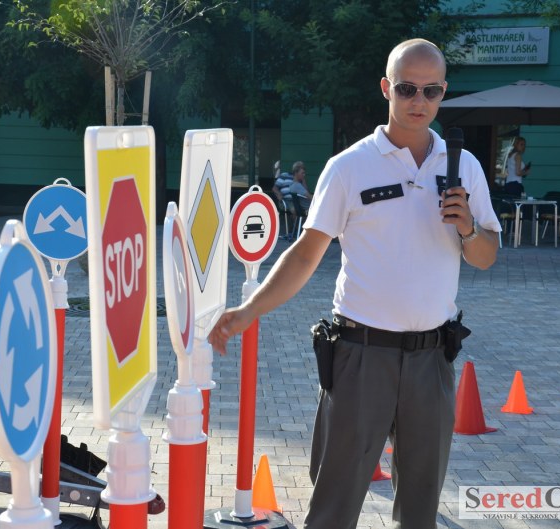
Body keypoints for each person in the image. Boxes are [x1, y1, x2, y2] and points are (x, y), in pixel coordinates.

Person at [209, 38, 500, 529]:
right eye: (407, 88)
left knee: (421, 512)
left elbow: (487, 256)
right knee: (334, 509)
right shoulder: (349, 167)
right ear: (387, 88)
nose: (419, 101)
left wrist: (469, 227)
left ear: (443, 93)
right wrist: (249, 310)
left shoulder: (463, 166)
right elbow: (305, 255)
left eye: (431, 91)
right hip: (362, 356)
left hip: (432, 360)